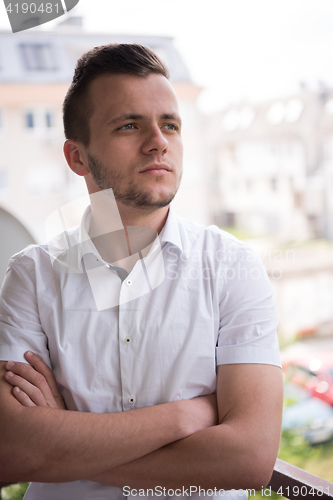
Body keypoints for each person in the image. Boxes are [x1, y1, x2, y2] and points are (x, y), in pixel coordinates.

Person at [0, 44, 283, 500]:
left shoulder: (232, 267)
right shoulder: (31, 276)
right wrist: (185, 416)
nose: (159, 141)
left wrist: (62, 445)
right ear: (76, 157)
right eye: (129, 125)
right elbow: (10, 451)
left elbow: (249, 459)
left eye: (170, 124)